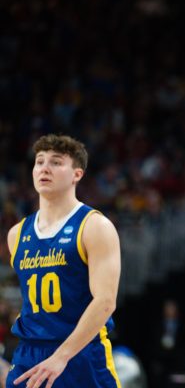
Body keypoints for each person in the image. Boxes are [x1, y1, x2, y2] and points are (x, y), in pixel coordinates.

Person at [6, 134, 121, 388]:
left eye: (56, 162)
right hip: (29, 355)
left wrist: (61, 356)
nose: (44, 168)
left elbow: (105, 302)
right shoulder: (17, 234)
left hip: (80, 354)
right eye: (39, 161)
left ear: (77, 174)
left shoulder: (94, 226)